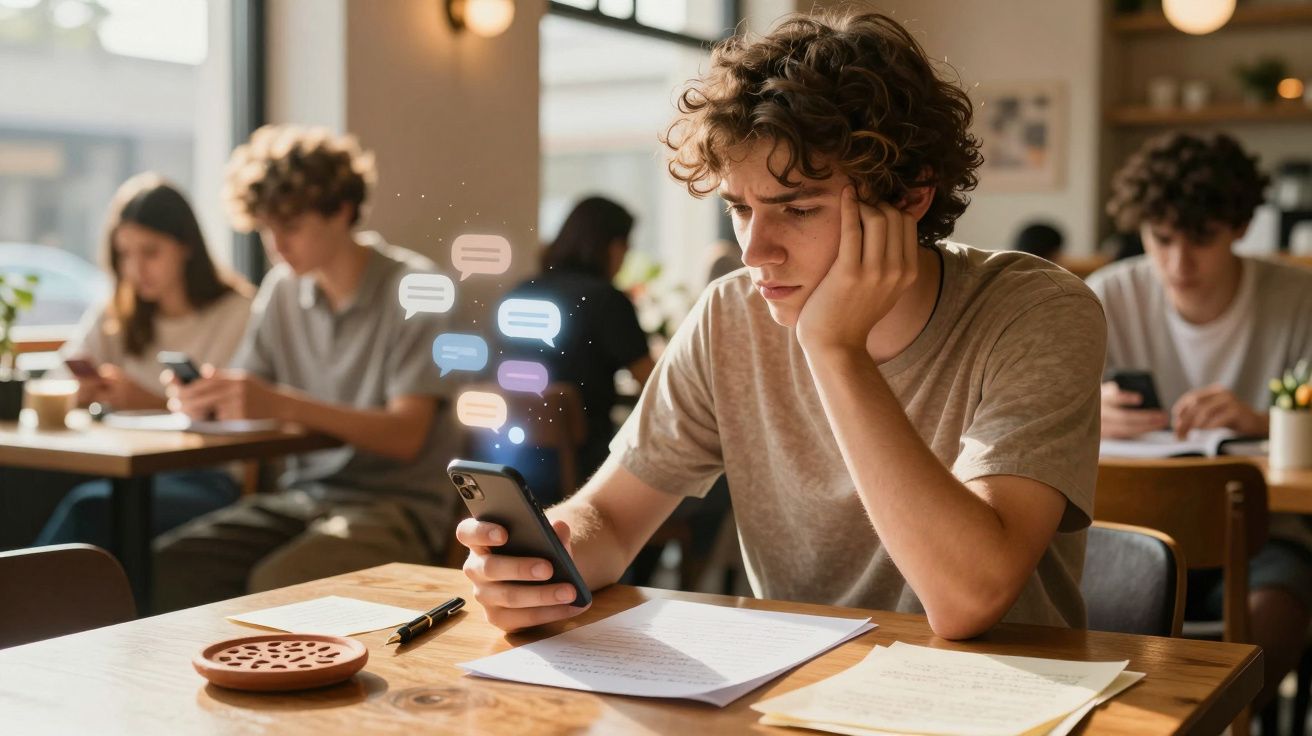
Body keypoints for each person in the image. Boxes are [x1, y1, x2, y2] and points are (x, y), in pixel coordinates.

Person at [457, 11, 1106, 639]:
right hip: (789, 692)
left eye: (796, 208)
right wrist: (545, 559)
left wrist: (835, 348)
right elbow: (614, 519)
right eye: (740, 208)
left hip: (1004, 698)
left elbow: (970, 599)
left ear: (909, 197)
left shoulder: (1037, 310)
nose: (753, 251)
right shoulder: (729, 314)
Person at [151, 125, 459, 612]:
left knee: (279, 581)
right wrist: (211, 400)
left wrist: (277, 402)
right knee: (171, 564)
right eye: (266, 228)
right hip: (302, 498)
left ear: (340, 210)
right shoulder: (282, 291)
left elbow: (407, 435)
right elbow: (252, 405)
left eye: (289, 228)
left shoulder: (417, 289)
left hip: (396, 509)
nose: (275, 245)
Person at [1089, 131, 1312, 707]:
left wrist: (1264, 421)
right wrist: (1088, 412)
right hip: (1127, 532)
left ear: (1239, 228)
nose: (1178, 263)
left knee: (1276, 615)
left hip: (1264, 534)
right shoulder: (1104, 296)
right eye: (1160, 239)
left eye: (1201, 240)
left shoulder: (1298, 298)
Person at [36, 173, 253, 548]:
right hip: (125, 472)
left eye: (150, 252)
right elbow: (58, 375)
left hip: (205, 477)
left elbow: (238, 415)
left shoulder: (237, 312)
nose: (136, 269)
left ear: (186, 246)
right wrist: (80, 391)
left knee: (90, 509)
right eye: (125, 254)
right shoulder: (118, 313)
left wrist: (149, 401)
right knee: (22, 489)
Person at [488, 196, 655, 502]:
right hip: (586, 472)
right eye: (625, 246)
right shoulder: (607, 300)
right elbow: (658, 389)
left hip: (510, 464)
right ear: (612, 246)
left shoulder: (520, 292)